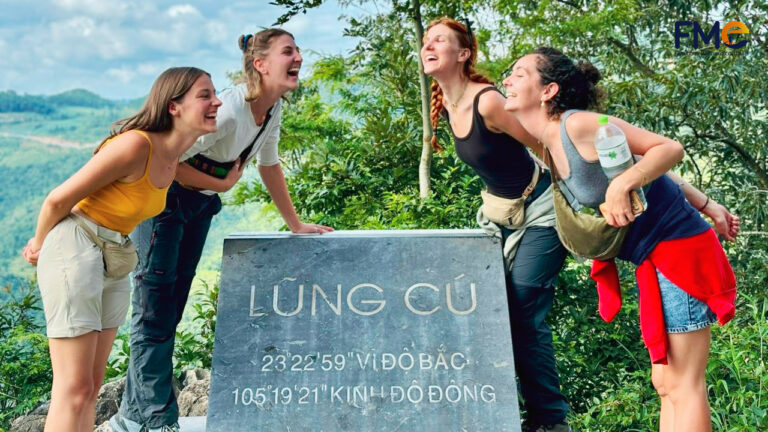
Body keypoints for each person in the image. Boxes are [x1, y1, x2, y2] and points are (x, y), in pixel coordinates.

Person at [502, 47, 738, 432]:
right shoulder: (546, 142)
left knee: (684, 384)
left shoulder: (578, 124)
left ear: (548, 91)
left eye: (519, 74)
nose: (507, 81)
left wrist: (622, 186)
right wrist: (708, 205)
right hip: (653, 259)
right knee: (665, 383)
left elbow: (667, 149)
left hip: (680, 252)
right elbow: (649, 168)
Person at [111, 29, 332, 432]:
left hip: (195, 207)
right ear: (260, 64)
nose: (298, 56)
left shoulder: (271, 110)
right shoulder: (228, 110)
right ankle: (156, 420)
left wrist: (294, 223)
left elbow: (269, 164)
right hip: (164, 202)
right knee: (155, 307)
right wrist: (223, 184)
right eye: (288, 51)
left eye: (298, 50)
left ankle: (132, 413)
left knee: (170, 306)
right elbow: (167, 159)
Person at [21, 67, 221, 432]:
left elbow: (194, 179)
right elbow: (57, 199)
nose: (217, 101)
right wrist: (38, 244)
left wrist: (228, 179)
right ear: (173, 105)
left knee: (90, 388)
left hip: (114, 258)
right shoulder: (136, 145)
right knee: (73, 388)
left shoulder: (172, 157)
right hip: (76, 246)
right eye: (205, 95)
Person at [421, 17, 571, 432]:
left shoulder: (486, 101)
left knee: (523, 313)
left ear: (464, 54)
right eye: (425, 41)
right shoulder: (448, 106)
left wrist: (585, 198)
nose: (428, 46)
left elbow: (546, 142)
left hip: (540, 213)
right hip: (499, 216)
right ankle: (499, 412)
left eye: (440, 41)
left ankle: (550, 422)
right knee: (486, 310)